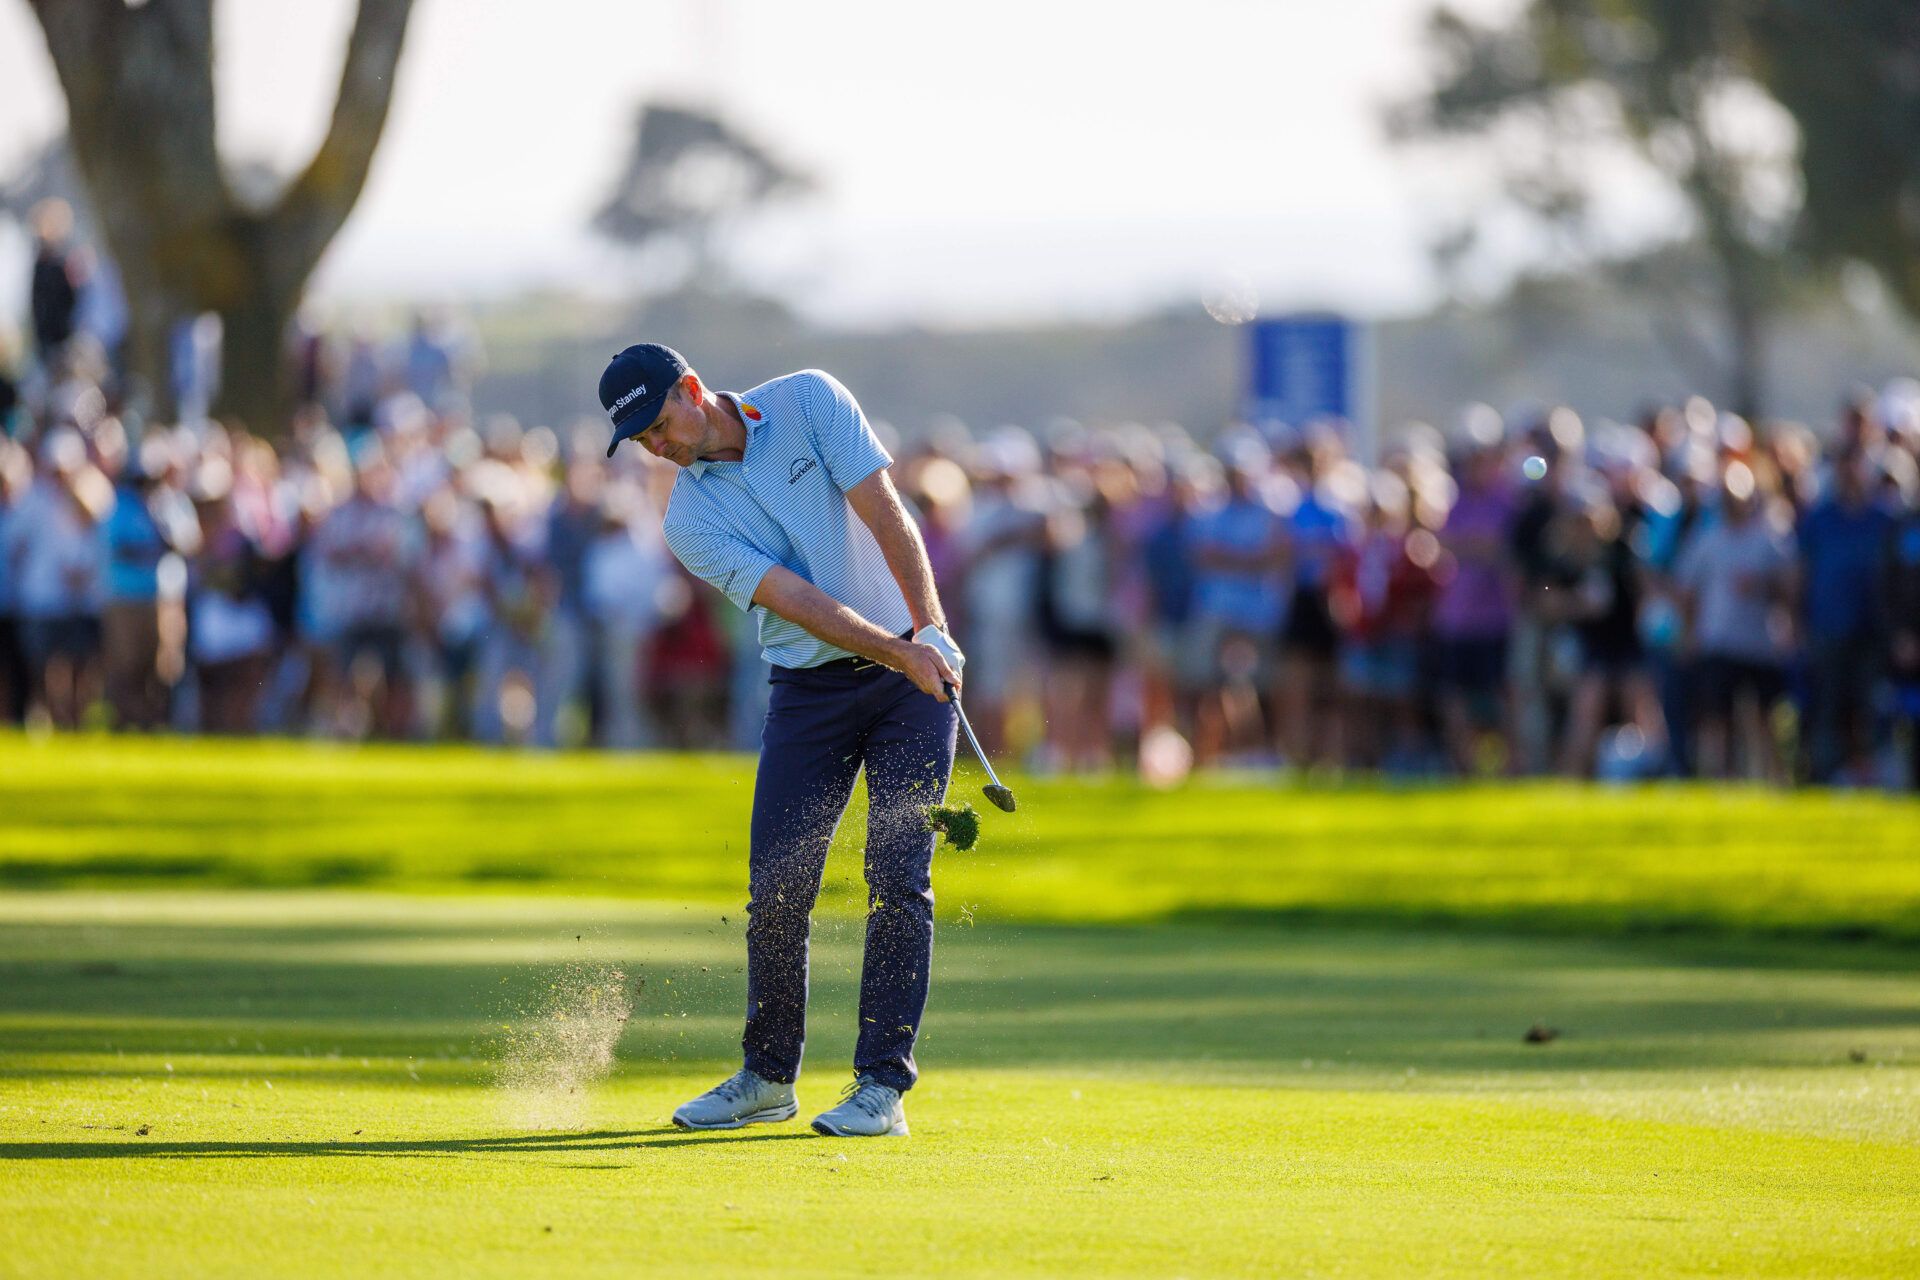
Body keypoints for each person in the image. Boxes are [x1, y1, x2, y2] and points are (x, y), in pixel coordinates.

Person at [598, 344, 961, 1139]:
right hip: (811, 689)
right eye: (642, 441)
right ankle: (768, 1075)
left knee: (898, 876)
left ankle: (880, 1089)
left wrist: (928, 629)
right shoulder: (687, 518)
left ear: (693, 391)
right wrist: (901, 650)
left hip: (915, 676)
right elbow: (792, 599)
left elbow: (884, 510)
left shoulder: (808, 400)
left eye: (660, 425)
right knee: (779, 886)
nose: (658, 448)